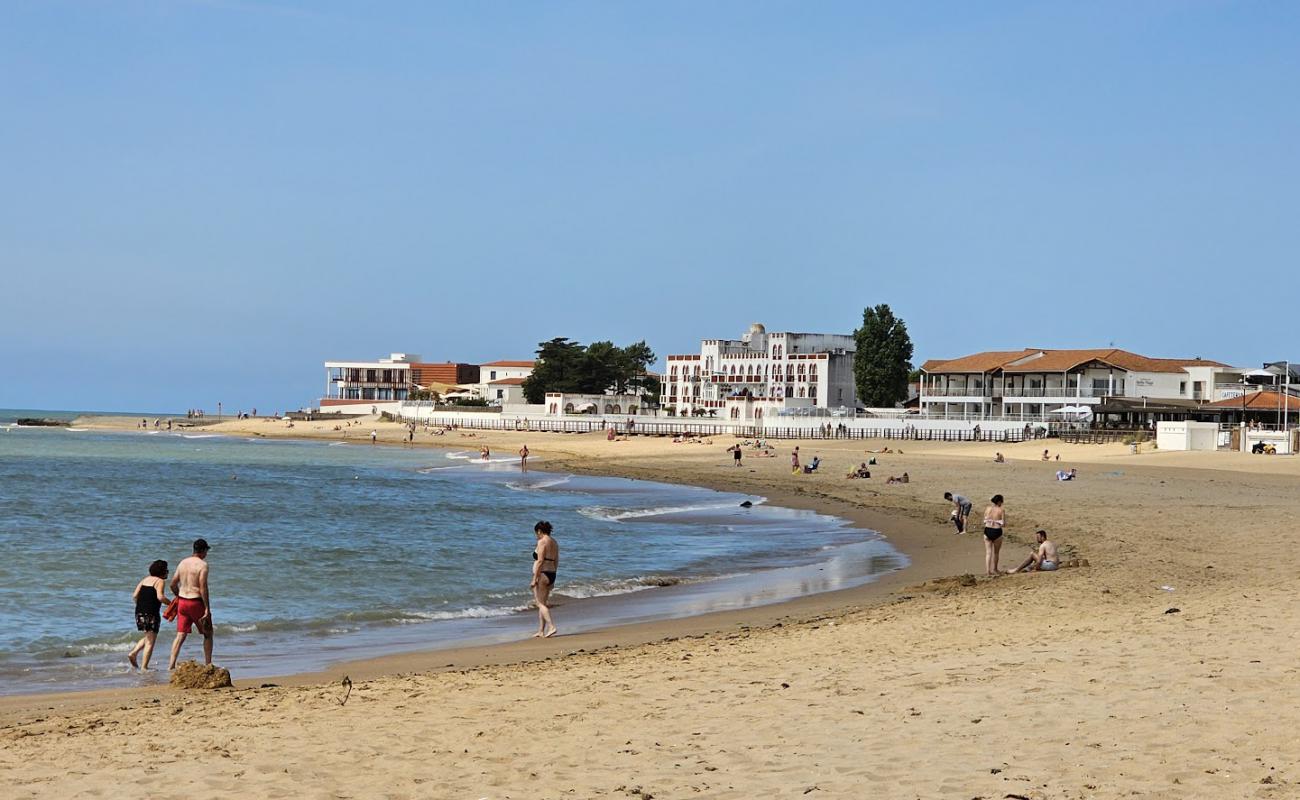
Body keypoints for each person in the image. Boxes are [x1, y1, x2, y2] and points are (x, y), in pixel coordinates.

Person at [168, 538, 213, 669]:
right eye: (206, 551)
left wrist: (178, 596)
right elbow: (203, 587)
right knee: (208, 634)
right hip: (195, 602)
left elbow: (172, 583)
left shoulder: (183, 562)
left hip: (182, 602)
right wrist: (207, 609)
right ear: (203, 551)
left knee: (180, 634)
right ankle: (208, 664)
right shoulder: (203, 565)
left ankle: (171, 665)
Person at [127, 560, 170, 670]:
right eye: (167, 570)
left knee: (148, 636)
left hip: (139, 612)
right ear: (162, 571)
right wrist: (170, 604)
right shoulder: (159, 581)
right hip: (151, 613)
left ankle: (134, 653)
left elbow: (135, 595)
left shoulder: (144, 580)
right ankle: (144, 667)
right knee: (151, 641)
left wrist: (141, 606)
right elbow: (160, 597)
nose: (168, 572)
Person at [531, 521, 559, 638]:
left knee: (539, 603)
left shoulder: (542, 542)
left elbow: (540, 561)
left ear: (539, 531)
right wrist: (554, 577)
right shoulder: (554, 542)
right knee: (543, 603)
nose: (536, 535)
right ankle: (541, 631)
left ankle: (551, 626)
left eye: (536, 533)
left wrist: (534, 578)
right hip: (552, 573)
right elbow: (557, 560)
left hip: (542, 574)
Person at [982, 495, 1006, 576]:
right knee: (996, 553)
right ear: (999, 501)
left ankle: (988, 571)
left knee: (988, 552)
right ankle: (995, 569)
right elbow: (1003, 524)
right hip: (996, 531)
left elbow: (984, 521)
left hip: (987, 530)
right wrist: (997, 521)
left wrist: (990, 521)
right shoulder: (1001, 510)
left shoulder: (988, 508)